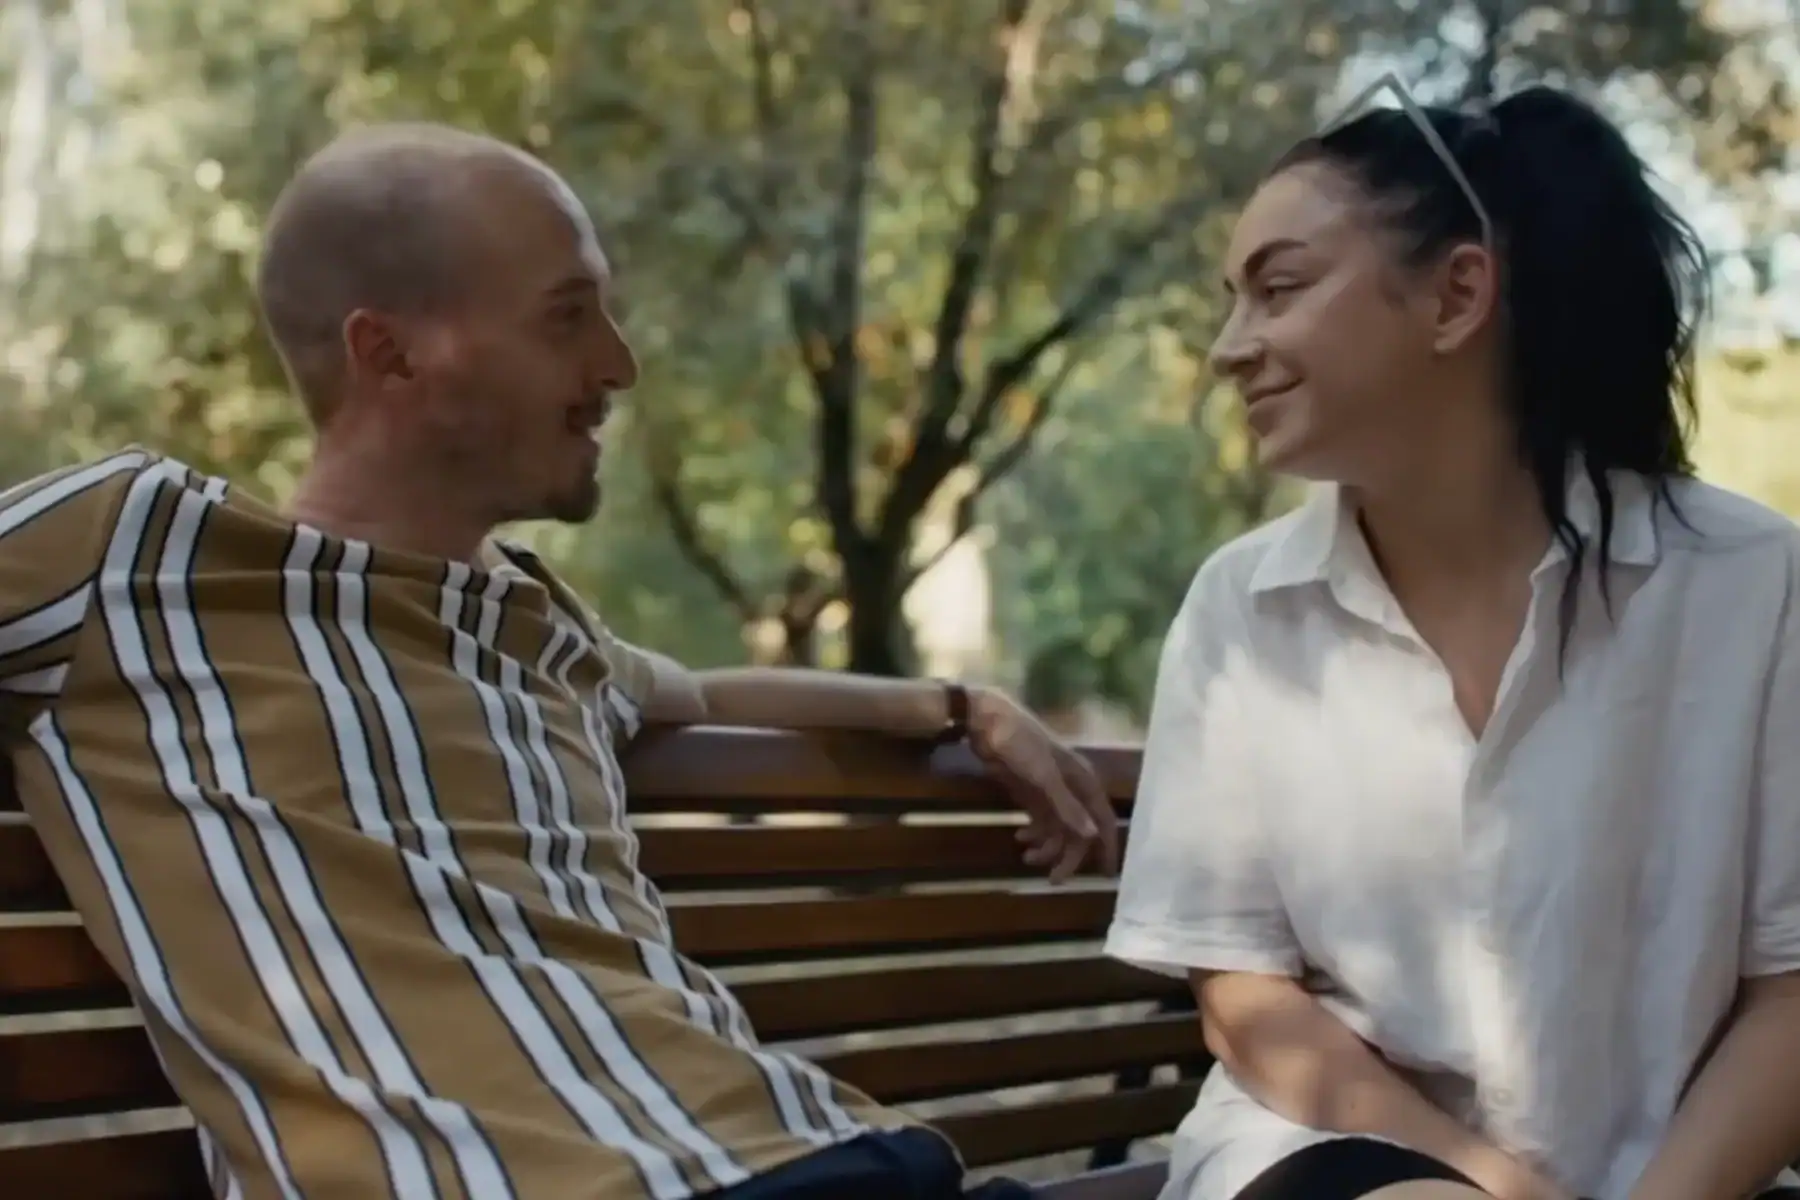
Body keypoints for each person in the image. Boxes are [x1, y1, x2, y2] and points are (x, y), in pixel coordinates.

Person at [0, 123, 1121, 1200]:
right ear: (387, 352)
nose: (619, 365)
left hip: (818, 1151)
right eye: (568, 319)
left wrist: (965, 706)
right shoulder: (129, 551)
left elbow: (706, 693)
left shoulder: (542, 626)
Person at [1102, 81, 1800, 1200]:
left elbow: (1791, 992)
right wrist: (1496, 1187)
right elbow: (1244, 995)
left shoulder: (1752, 585)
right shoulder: (1243, 610)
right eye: (1230, 302)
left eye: (1278, 289)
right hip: (1338, 1163)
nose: (1232, 347)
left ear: (1456, 294)